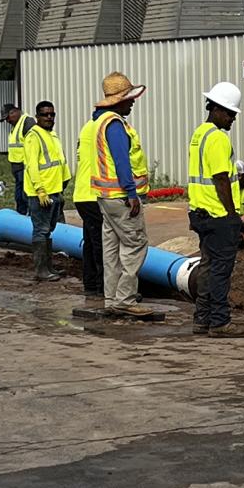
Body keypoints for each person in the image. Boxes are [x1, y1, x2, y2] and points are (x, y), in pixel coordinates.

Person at [188, 81, 244, 338]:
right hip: (217, 214)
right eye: (229, 113)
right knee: (220, 269)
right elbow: (221, 178)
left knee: (207, 265)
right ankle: (219, 321)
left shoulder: (199, 134)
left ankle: (202, 318)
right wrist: (231, 215)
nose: (232, 119)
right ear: (215, 109)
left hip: (200, 212)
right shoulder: (217, 138)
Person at [90, 72, 153, 315]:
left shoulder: (100, 121)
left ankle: (112, 299)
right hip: (121, 197)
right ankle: (125, 300)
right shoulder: (115, 125)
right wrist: (131, 193)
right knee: (135, 245)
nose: (133, 102)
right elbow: (121, 162)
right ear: (119, 100)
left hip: (106, 198)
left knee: (112, 248)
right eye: (129, 97)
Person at [22, 100, 71, 282]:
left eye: (52, 114)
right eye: (45, 114)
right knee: (41, 230)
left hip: (55, 191)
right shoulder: (34, 136)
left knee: (48, 230)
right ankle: (41, 270)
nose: (49, 117)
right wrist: (40, 189)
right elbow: (31, 166)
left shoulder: (52, 135)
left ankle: (48, 267)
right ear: (37, 117)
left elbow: (60, 162)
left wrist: (63, 184)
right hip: (41, 194)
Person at [73, 110, 106, 298]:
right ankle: (103, 287)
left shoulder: (88, 127)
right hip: (94, 194)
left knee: (90, 241)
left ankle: (91, 284)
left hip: (83, 194)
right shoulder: (102, 128)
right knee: (102, 243)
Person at [0, 103, 34, 216]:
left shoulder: (27, 123)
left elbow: (33, 146)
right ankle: (21, 220)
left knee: (26, 197)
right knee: (19, 198)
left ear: (14, 112)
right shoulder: (15, 126)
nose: (7, 121)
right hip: (17, 169)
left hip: (25, 168)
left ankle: (31, 218)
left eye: (7, 118)